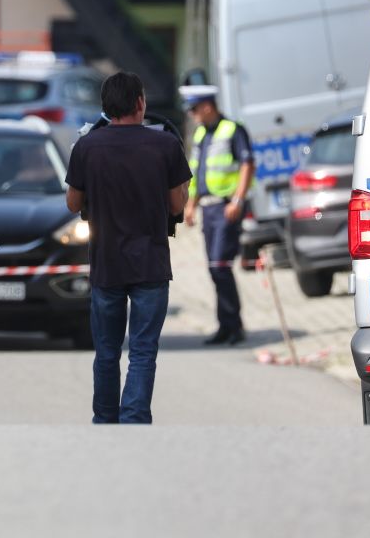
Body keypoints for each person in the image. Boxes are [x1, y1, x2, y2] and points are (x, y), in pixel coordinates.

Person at [65, 72, 191, 424]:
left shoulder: (87, 146)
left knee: (106, 351)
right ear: (140, 103)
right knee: (142, 351)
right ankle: (134, 420)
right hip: (150, 263)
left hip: (106, 264)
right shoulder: (165, 144)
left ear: (106, 106)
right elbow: (177, 204)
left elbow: (73, 203)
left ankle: (104, 419)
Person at [179, 84, 256, 346]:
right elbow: (197, 172)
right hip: (208, 208)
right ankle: (225, 325)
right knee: (214, 267)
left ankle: (234, 325)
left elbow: (248, 163)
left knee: (220, 266)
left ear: (208, 106)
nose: (192, 114)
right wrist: (190, 204)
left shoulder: (233, 129)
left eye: (194, 109)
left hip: (226, 206)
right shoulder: (201, 133)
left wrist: (238, 199)